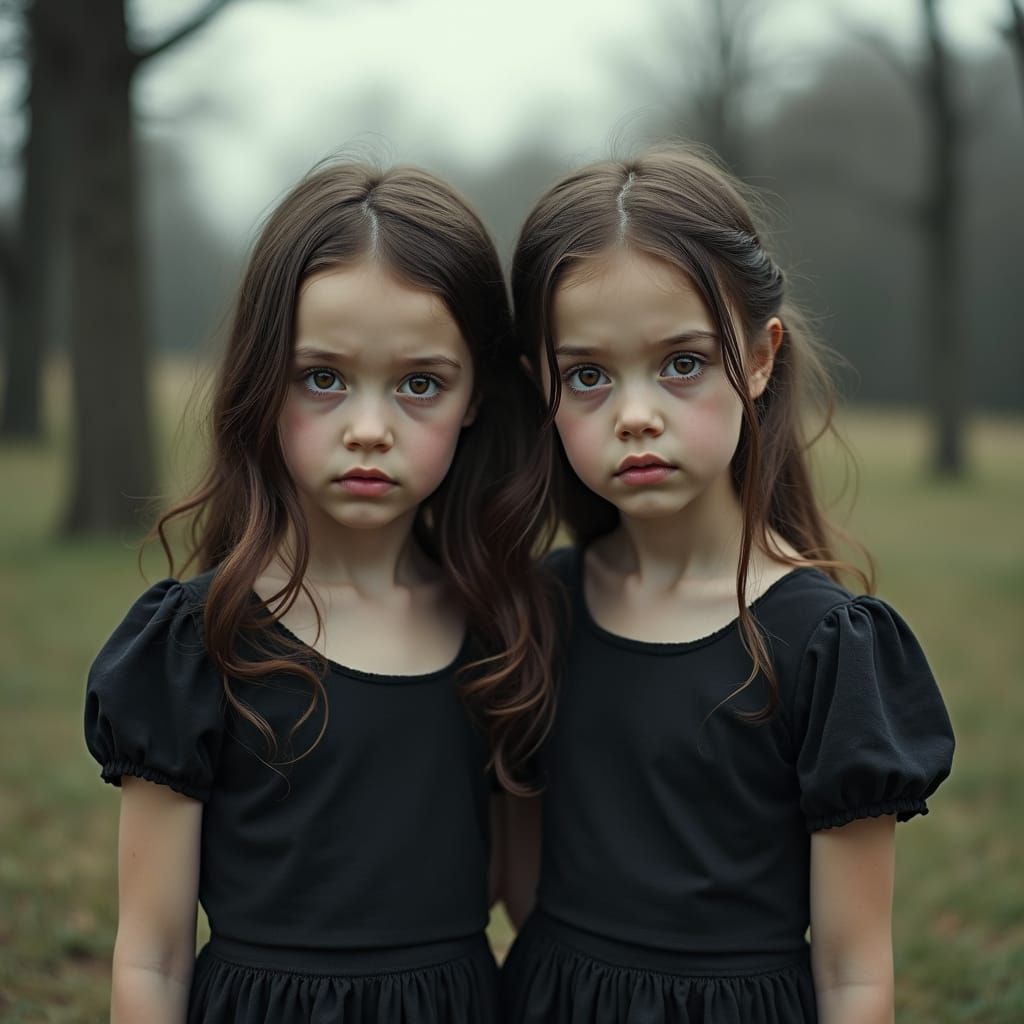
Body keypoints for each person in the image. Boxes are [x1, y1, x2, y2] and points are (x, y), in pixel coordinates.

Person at [84, 161, 556, 1024]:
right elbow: (150, 959)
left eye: (420, 384)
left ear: (477, 397)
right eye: (324, 378)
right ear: (265, 379)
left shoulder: (504, 629)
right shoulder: (198, 642)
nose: (368, 429)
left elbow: (532, 911)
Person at [499, 147, 955, 1024]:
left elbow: (856, 973)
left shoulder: (829, 644)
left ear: (756, 357)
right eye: (588, 375)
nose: (636, 413)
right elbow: (522, 886)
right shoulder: (538, 611)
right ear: (540, 392)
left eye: (681, 363)